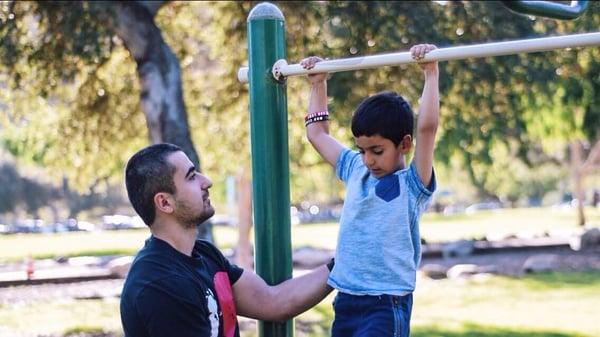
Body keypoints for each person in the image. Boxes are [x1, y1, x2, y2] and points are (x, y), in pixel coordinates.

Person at [120, 143, 333, 337]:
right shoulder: (160, 286)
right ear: (165, 202)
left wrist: (340, 265)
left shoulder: (204, 255)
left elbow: (272, 301)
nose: (207, 182)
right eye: (192, 176)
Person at [300, 43, 439, 337]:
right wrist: (318, 84)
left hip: (385, 303)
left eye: (376, 150)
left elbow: (427, 129)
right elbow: (317, 134)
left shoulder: (412, 184)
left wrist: (430, 72)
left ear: (404, 144)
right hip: (347, 300)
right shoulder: (355, 169)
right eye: (361, 150)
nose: (368, 159)